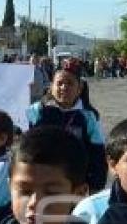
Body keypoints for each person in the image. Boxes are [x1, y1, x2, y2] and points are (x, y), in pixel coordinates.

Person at [26, 58, 107, 192]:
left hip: (75, 184)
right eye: (60, 83)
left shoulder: (88, 117)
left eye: (70, 83)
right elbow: (23, 145)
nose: (64, 87)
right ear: (51, 87)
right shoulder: (37, 111)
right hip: (41, 181)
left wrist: (95, 185)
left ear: (79, 88)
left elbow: (97, 154)